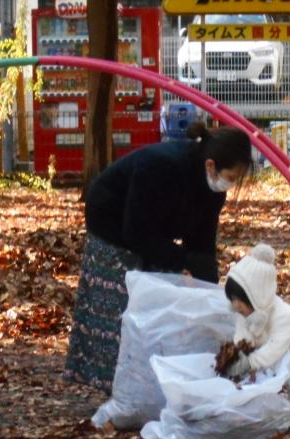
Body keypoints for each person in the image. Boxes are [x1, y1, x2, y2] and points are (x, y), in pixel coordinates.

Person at [65, 122, 254, 394]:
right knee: (124, 304)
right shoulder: (161, 168)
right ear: (211, 165)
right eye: (231, 176)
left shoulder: (213, 191)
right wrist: (181, 261)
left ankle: (149, 381)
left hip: (151, 231)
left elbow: (202, 242)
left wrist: (210, 289)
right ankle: (116, 385)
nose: (231, 184)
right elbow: (137, 233)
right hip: (112, 221)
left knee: (158, 298)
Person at [223, 243, 290, 421]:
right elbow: (242, 334)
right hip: (274, 345)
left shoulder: (284, 317)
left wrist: (249, 362)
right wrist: (238, 353)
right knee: (261, 373)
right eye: (233, 299)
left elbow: (273, 350)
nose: (235, 305)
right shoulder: (245, 312)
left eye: (240, 300)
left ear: (256, 296)